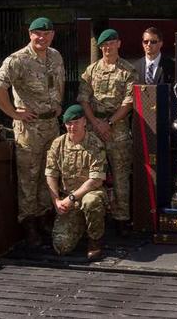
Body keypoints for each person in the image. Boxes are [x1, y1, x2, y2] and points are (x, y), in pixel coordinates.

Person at [0, 16, 65, 247]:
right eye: (37, 34)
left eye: (46, 33)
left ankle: (44, 217)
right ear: (30, 34)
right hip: (29, 129)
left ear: (52, 34)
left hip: (52, 125)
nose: (41, 38)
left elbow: (57, 84)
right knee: (28, 177)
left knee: (49, 172)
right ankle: (29, 223)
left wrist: (57, 105)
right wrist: (13, 113)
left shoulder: (55, 55)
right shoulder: (17, 60)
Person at [78, 29, 137, 234]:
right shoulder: (91, 70)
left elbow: (129, 102)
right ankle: (94, 217)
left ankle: (122, 219)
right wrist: (95, 122)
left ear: (119, 44)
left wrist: (109, 123)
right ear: (100, 47)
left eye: (112, 43)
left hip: (117, 129)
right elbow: (84, 99)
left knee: (120, 175)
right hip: (94, 127)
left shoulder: (128, 70)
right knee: (91, 173)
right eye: (104, 45)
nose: (108, 47)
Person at [45, 104, 108, 260]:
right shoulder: (58, 144)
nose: (72, 126)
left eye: (76, 122)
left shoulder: (95, 144)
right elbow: (51, 174)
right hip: (67, 200)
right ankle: (79, 226)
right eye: (68, 123)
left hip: (89, 193)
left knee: (91, 201)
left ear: (84, 122)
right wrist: (57, 202)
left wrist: (72, 198)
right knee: (61, 246)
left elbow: (95, 180)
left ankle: (95, 241)